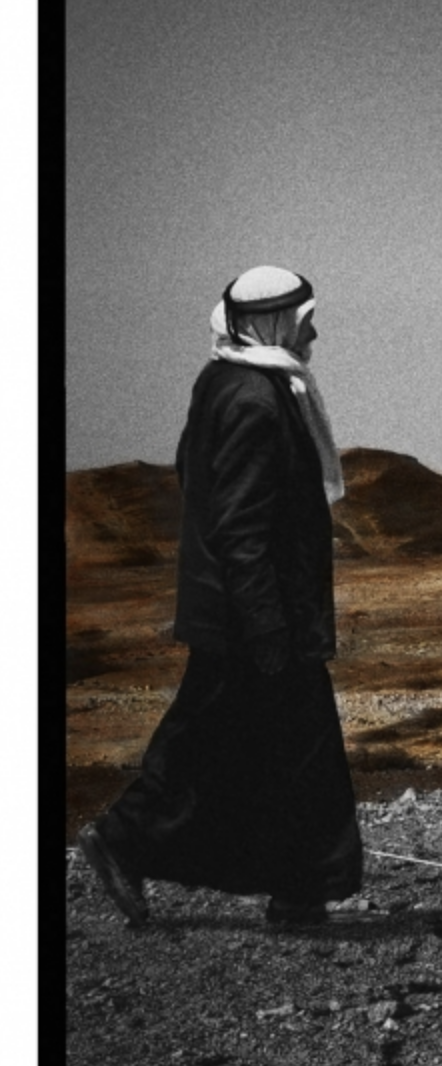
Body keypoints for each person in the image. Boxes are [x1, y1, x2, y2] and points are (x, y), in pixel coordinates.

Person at [78, 266, 363, 928]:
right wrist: (266, 625)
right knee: (278, 750)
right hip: (256, 616)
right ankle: (132, 840)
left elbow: (192, 471)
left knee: (230, 741)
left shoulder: (227, 381)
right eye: (305, 322)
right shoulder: (255, 399)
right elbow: (240, 524)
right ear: (274, 323)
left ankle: (295, 891)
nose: (313, 334)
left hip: (240, 610)